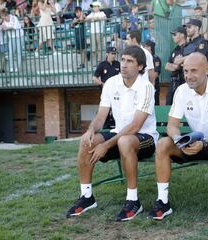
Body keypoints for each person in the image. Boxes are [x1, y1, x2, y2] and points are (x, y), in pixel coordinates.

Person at [66, 45, 158, 222]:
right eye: (122, 60)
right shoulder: (111, 83)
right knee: (87, 142)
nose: (123, 64)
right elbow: (101, 116)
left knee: (124, 141)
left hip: (145, 139)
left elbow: (136, 126)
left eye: (130, 61)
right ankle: (87, 197)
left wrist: (106, 145)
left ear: (140, 67)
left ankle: (133, 201)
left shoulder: (145, 87)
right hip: (120, 136)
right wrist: (91, 131)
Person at [148, 52, 208, 224]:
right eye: (185, 71)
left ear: (207, 70)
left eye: (193, 71)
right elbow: (172, 125)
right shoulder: (182, 91)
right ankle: (163, 201)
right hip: (195, 142)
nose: (189, 76)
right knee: (163, 144)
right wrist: (178, 139)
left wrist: (205, 144)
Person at [165, 26, 187, 105]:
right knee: (169, 102)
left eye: (175, 34)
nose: (173, 36)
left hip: (183, 81)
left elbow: (180, 65)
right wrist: (176, 65)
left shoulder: (187, 48)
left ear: (182, 35)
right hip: (173, 81)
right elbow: (167, 66)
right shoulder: (175, 49)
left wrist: (176, 65)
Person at [144, 40, 161, 105]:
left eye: (146, 46)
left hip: (154, 85)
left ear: (150, 47)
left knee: (154, 105)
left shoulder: (156, 59)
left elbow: (155, 74)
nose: (144, 48)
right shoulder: (144, 58)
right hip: (145, 86)